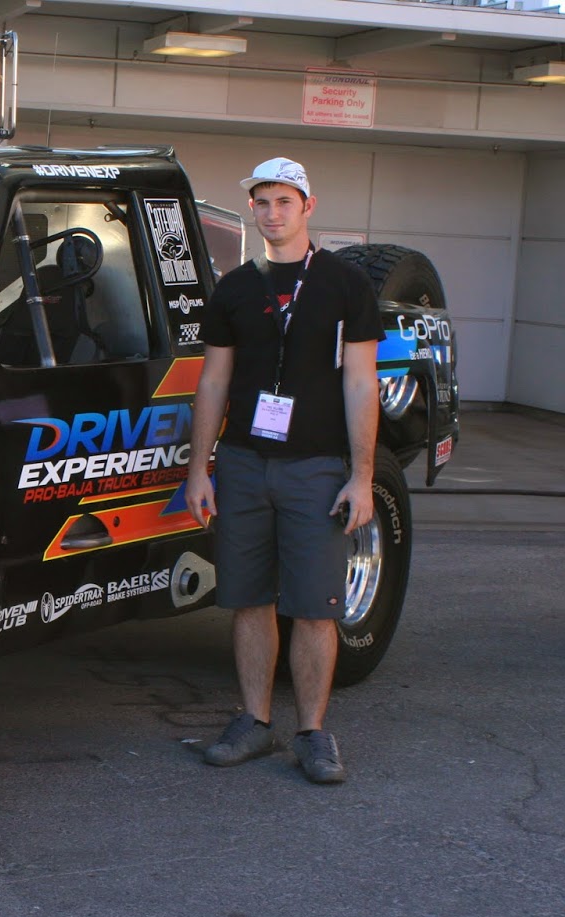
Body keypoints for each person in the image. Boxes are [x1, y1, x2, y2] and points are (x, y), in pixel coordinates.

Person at [184, 157, 384, 784]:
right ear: (252, 209)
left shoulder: (345, 285)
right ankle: (255, 722)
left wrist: (362, 476)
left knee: (316, 608)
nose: (273, 213)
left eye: (285, 202)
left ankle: (313, 733)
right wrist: (199, 469)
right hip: (243, 464)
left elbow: (362, 382)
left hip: (317, 469)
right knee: (248, 601)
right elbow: (213, 381)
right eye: (263, 202)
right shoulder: (234, 288)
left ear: (308, 207)